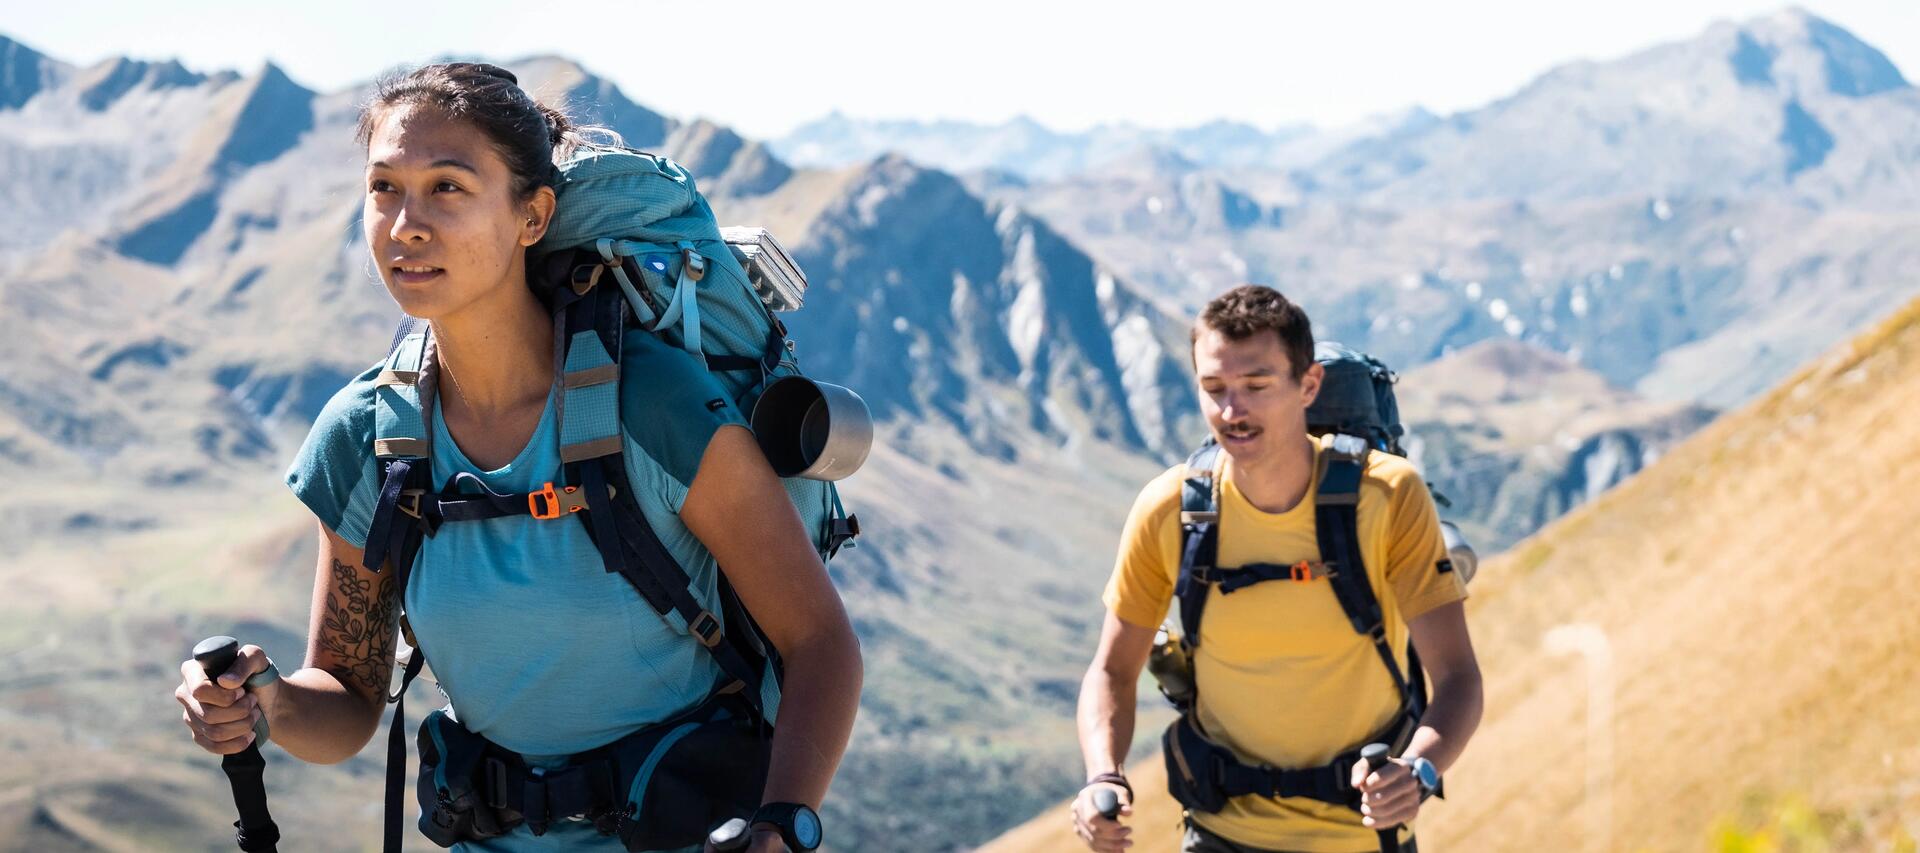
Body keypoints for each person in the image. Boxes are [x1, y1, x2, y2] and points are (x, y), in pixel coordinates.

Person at [171, 63, 862, 853]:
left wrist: (782, 824)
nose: (405, 224)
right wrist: (268, 702)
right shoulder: (367, 436)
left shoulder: (651, 407)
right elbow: (348, 700)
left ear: (532, 215)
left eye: (448, 188)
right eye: (384, 187)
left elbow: (820, 643)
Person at [1071, 285, 1483, 853]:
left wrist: (1418, 772)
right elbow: (1112, 672)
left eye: (1257, 387)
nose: (1232, 412)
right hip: (1217, 834)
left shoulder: (1386, 497)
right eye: (1213, 389)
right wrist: (1103, 775)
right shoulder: (1170, 509)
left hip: (1363, 839)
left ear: (1307, 385)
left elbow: (1459, 678)